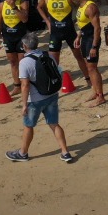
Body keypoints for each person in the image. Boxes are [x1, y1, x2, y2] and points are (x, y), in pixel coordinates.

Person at [8, 34, 75, 164]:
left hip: (34, 100)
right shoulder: (49, 56)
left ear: (24, 46)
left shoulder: (24, 62)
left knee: (28, 126)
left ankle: (23, 153)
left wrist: (24, 105)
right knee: (54, 124)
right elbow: (57, 71)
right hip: (51, 95)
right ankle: (65, 152)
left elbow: (25, 85)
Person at [70, 0, 107, 106]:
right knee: (88, 67)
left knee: (93, 68)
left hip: (92, 39)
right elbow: (83, 24)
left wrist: (94, 47)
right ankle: (95, 91)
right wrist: (79, 36)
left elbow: (97, 28)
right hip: (85, 38)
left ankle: (100, 96)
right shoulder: (80, 6)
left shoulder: (90, 7)